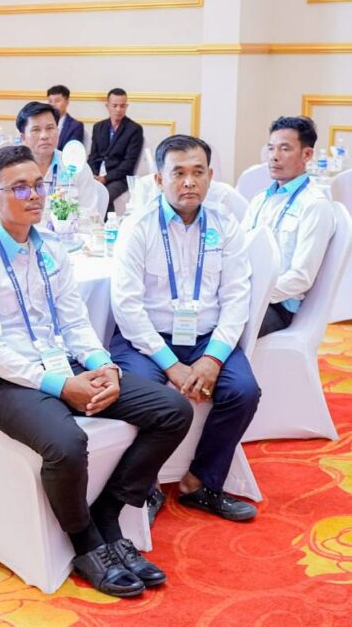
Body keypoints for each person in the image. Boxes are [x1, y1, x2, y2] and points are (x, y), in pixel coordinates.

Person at [0, 145, 193, 597]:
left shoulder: (52, 249)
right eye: (20, 188)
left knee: (173, 410)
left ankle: (108, 513)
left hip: (63, 365)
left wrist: (104, 367)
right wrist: (62, 387)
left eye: (38, 185)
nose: (34, 196)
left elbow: (76, 324)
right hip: (1, 384)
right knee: (67, 443)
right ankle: (86, 543)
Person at [109, 134, 261, 523]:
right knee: (140, 395)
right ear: (159, 179)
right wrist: (170, 365)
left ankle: (200, 483)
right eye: (178, 173)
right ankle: (146, 489)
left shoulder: (226, 225)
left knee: (243, 392)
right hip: (145, 340)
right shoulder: (138, 227)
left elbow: (236, 297)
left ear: (210, 176)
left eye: (198, 172)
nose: (189, 182)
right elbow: (126, 307)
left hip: (205, 338)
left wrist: (213, 358)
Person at [243, 116, 336, 337]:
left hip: (277, 306)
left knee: (216, 328)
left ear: (307, 154)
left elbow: (301, 277)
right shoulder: (261, 199)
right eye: (271, 148)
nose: (274, 156)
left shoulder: (314, 205)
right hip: (245, 293)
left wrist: (254, 293)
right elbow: (239, 248)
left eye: (284, 149)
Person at [16, 101, 103, 219]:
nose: (44, 136)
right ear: (23, 137)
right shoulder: (13, 170)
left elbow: (90, 215)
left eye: (50, 128)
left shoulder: (76, 166)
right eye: (36, 130)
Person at [88, 89, 144, 213]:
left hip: (119, 179)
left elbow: (129, 163)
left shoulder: (134, 129)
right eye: (115, 105)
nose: (118, 109)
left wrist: (105, 178)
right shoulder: (98, 127)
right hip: (96, 175)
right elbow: (93, 156)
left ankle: (105, 223)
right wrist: (93, 175)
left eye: (122, 106)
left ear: (126, 106)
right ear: (107, 106)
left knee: (103, 196)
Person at [46, 85, 84, 150]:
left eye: (57, 101)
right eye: (50, 101)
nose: (53, 104)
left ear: (67, 102)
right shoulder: (43, 123)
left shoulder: (75, 126)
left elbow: (72, 150)